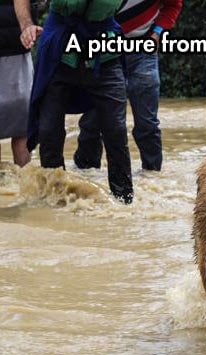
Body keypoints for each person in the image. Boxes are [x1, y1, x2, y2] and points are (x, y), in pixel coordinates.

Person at [15, 0, 134, 203]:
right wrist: (26, 26)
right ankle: (55, 200)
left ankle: (123, 202)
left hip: (105, 50)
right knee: (48, 131)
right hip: (59, 50)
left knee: (116, 132)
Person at [74, 0, 183, 172]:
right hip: (104, 48)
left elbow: (173, 5)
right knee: (93, 118)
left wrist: (157, 33)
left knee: (147, 122)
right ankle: (85, 180)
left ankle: (153, 175)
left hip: (143, 49)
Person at [0, 0, 32, 167]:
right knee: (22, 130)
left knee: (22, 129)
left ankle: (18, 187)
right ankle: (25, 186)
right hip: (17, 47)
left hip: (17, 49)